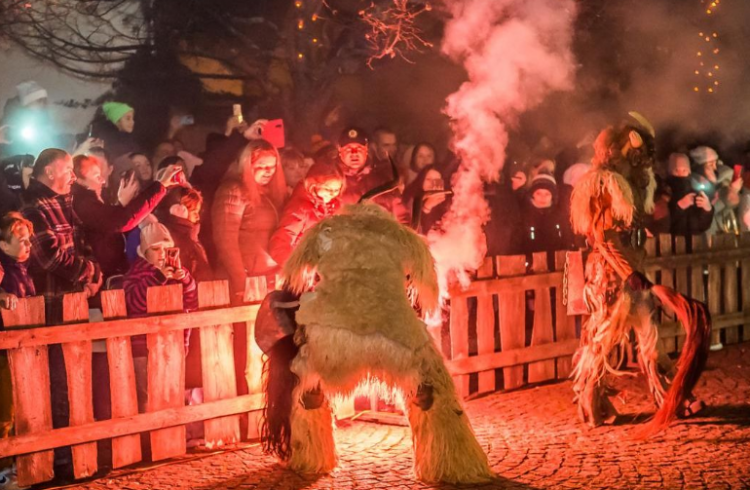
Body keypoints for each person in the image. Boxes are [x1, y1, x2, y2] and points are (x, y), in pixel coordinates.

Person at [570, 121, 709, 431]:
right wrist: (628, 273)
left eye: (647, 150)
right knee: (603, 342)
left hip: (633, 270)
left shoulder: (637, 183)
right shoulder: (606, 184)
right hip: (610, 274)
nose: (646, 156)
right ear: (621, 151)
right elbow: (604, 238)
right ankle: (591, 406)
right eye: (640, 150)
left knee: (650, 339)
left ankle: (674, 398)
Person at [123, 223, 197, 412]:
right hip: (144, 348)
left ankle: (173, 437)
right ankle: (148, 440)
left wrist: (185, 280)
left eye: (166, 248)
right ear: (145, 252)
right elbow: (134, 302)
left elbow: (191, 303)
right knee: (147, 395)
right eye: (156, 249)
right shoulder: (137, 273)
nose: (162, 253)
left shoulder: (175, 273)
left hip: (172, 343)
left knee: (171, 391)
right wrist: (158, 277)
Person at [71, 155, 180, 279]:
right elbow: (118, 222)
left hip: (103, 275)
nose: (102, 180)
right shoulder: (83, 203)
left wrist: (121, 205)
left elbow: (109, 227)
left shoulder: (90, 201)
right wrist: (161, 185)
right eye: (96, 176)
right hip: (96, 277)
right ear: (79, 180)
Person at [212, 139, 287, 302]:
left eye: (272, 166)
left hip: (269, 279)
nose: (269, 171)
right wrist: (240, 280)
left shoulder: (269, 194)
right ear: (248, 165)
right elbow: (225, 240)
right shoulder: (234, 191)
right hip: (247, 280)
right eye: (262, 166)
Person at [0, 212, 35, 489]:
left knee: (20, 411)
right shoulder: (3, 269)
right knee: (4, 414)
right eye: (20, 240)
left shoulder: (22, 269)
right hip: (2, 352)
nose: (27, 244)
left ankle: (15, 465)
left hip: (21, 350)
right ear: (3, 244)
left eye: (28, 239)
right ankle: (3, 471)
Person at [269, 161, 345, 267]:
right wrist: (299, 268)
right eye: (327, 189)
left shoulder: (334, 207)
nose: (332, 194)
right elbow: (279, 243)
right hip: (307, 273)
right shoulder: (301, 209)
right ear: (313, 185)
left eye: (337, 189)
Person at [336, 127, 409, 223]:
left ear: (366, 149)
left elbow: (401, 215)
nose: (354, 153)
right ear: (340, 151)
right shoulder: (331, 183)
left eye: (359, 148)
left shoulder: (382, 179)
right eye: (349, 149)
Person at [689, 145, 740, 235]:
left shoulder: (720, 181)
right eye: (710, 164)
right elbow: (712, 210)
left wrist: (731, 192)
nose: (715, 168)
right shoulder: (695, 184)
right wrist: (731, 193)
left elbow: (729, 207)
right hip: (706, 234)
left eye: (715, 163)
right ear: (700, 166)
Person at [520, 172, 574, 254]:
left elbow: (566, 239)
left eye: (547, 194)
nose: (543, 197)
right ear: (532, 194)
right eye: (538, 193)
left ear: (552, 196)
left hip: (558, 261)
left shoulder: (558, 216)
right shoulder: (525, 216)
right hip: (533, 262)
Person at [665, 153, 714, 237]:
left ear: (689, 171)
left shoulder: (695, 191)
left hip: (695, 243)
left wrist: (707, 209)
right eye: (676, 170)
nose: (680, 173)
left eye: (684, 170)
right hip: (670, 243)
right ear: (671, 172)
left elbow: (703, 226)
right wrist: (679, 206)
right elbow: (663, 223)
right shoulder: (665, 190)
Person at [402, 164, 450, 235]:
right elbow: (415, 232)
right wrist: (427, 208)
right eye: (428, 179)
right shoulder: (411, 199)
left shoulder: (446, 203)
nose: (432, 183)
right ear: (421, 181)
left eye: (436, 180)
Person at [97, 101, 139, 165]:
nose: (132, 122)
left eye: (133, 119)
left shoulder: (130, 140)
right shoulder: (112, 143)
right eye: (128, 119)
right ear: (117, 121)